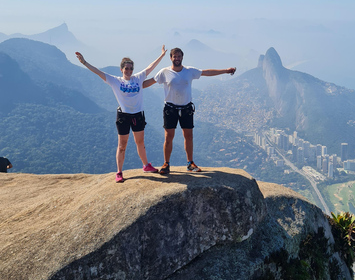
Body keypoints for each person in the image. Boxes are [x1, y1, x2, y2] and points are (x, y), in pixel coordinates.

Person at [75, 46, 167, 183]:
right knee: (122, 145)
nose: (129, 71)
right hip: (124, 116)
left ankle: (146, 165)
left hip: (138, 115)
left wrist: (162, 55)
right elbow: (99, 72)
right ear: (121, 69)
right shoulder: (116, 81)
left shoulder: (138, 78)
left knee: (140, 142)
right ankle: (119, 172)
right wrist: (84, 62)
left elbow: (150, 67)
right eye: (126, 68)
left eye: (130, 68)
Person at [143, 47, 236, 174]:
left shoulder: (189, 71)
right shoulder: (164, 72)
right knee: (168, 136)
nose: (177, 58)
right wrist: (133, 85)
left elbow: (206, 72)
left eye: (179, 56)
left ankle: (190, 163)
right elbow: (150, 82)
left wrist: (225, 71)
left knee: (188, 136)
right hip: (170, 109)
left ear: (182, 57)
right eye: (174, 56)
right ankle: (166, 163)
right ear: (171, 58)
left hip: (186, 108)